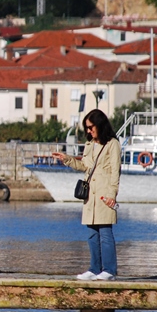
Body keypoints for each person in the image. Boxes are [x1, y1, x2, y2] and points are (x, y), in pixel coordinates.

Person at [54, 109, 121, 281]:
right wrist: (67, 159)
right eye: (87, 128)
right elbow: (85, 166)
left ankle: (110, 270)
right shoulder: (89, 144)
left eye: (91, 127)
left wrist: (112, 194)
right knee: (92, 234)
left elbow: (115, 171)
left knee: (105, 233)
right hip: (90, 194)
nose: (89, 131)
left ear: (100, 125)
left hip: (105, 194)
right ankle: (94, 268)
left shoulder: (113, 144)